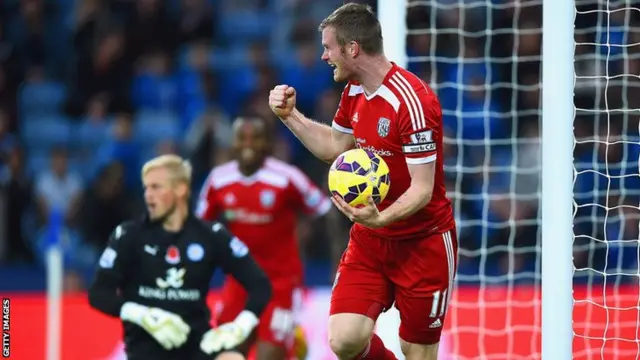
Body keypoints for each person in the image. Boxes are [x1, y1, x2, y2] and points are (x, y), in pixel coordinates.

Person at [268, 3, 458, 360]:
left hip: (423, 243)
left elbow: (423, 188)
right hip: (371, 240)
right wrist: (289, 116)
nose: (325, 56)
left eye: (329, 47)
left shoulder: (412, 101)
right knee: (345, 339)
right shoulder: (354, 92)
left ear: (352, 48)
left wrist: (382, 217)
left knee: (417, 352)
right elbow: (335, 147)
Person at [88, 154, 272, 360]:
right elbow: (98, 293)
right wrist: (142, 314)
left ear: (181, 189)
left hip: (196, 347)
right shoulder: (129, 235)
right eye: (146, 187)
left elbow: (260, 284)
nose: (148, 195)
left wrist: (241, 325)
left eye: (156, 187)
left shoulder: (210, 235)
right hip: (145, 351)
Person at [197, 115, 335, 360]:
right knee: (227, 353)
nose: (248, 144)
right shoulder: (218, 180)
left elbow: (324, 211)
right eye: (242, 138)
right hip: (238, 284)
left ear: (268, 144)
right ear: (233, 143)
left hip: (280, 283)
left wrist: (312, 238)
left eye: (256, 138)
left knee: (269, 354)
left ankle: (293, 339)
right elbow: (199, 226)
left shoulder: (287, 177)